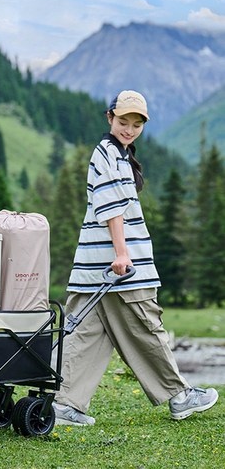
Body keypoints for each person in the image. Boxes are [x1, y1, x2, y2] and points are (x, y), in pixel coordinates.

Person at [53, 90, 218, 426]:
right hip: (119, 268)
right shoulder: (110, 154)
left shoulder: (117, 154)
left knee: (82, 335)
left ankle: (63, 402)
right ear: (109, 117)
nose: (129, 129)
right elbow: (112, 209)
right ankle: (180, 396)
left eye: (136, 124)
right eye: (123, 121)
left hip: (91, 268)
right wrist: (123, 254)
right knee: (146, 327)